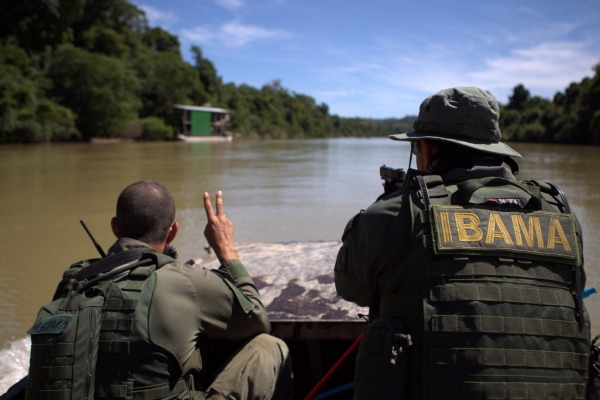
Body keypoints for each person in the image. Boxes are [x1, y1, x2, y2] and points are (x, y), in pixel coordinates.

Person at [334, 87, 591, 399]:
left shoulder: (393, 214)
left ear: (428, 149)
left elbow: (353, 289)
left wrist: (387, 206)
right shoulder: (560, 212)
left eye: (417, 148)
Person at [26, 181, 292, 400]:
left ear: (115, 227)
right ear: (173, 231)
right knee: (269, 347)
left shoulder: (73, 279)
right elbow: (257, 320)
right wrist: (227, 253)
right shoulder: (183, 280)